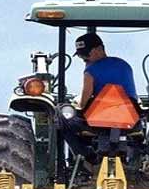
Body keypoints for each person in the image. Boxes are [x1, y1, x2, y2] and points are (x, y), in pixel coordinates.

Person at [58, 33, 138, 163]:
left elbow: (84, 101)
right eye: (80, 55)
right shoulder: (124, 65)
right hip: (130, 119)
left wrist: (78, 106)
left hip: (100, 121)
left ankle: (86, 156)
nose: (84, 58)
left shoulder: (91, 70)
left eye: (86, 54)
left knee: (61, 116)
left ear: (99, 49)